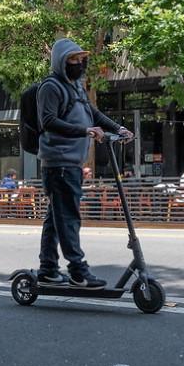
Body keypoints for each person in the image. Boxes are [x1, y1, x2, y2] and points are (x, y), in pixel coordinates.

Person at [36, 38, 133, 288]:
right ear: (61, 62)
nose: (80, 63)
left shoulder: (76, 87)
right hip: (59, 164)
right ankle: (78, 271)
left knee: (56, 218)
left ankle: (47, 268)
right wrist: (85, 131)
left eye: (81, 59)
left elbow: (93, 113)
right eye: (74, 59)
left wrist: (118, 128)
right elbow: (48, 121)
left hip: (71, 164)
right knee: (68, 217)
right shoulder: (51, 87)